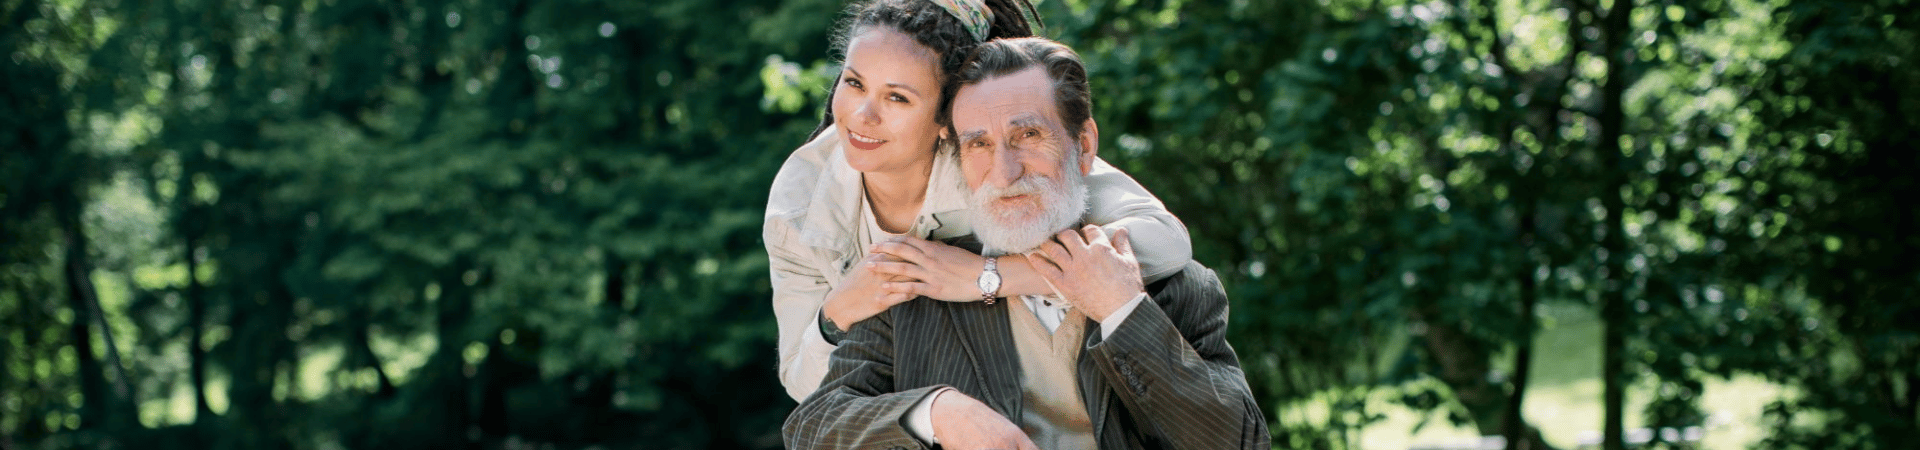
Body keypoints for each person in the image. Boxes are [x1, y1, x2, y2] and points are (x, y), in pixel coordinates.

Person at [783, 37, 1267, 450]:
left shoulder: (1173, 287)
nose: (1004, 171)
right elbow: (810, 428)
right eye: (979, 144)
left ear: (1083, 146)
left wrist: (1123, 310)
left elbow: (1240, 441)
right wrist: (934, 413)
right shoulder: (920, 280)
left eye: (1028, 135)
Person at [765, 0, 1194, 402]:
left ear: (947, 118)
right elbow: (803, 384)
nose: (862, 116)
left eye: (898, 97)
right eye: (854, 83)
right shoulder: (798, 206)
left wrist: (987, 277)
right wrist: (836, 313)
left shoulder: (991, 157)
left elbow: (1165, 241)